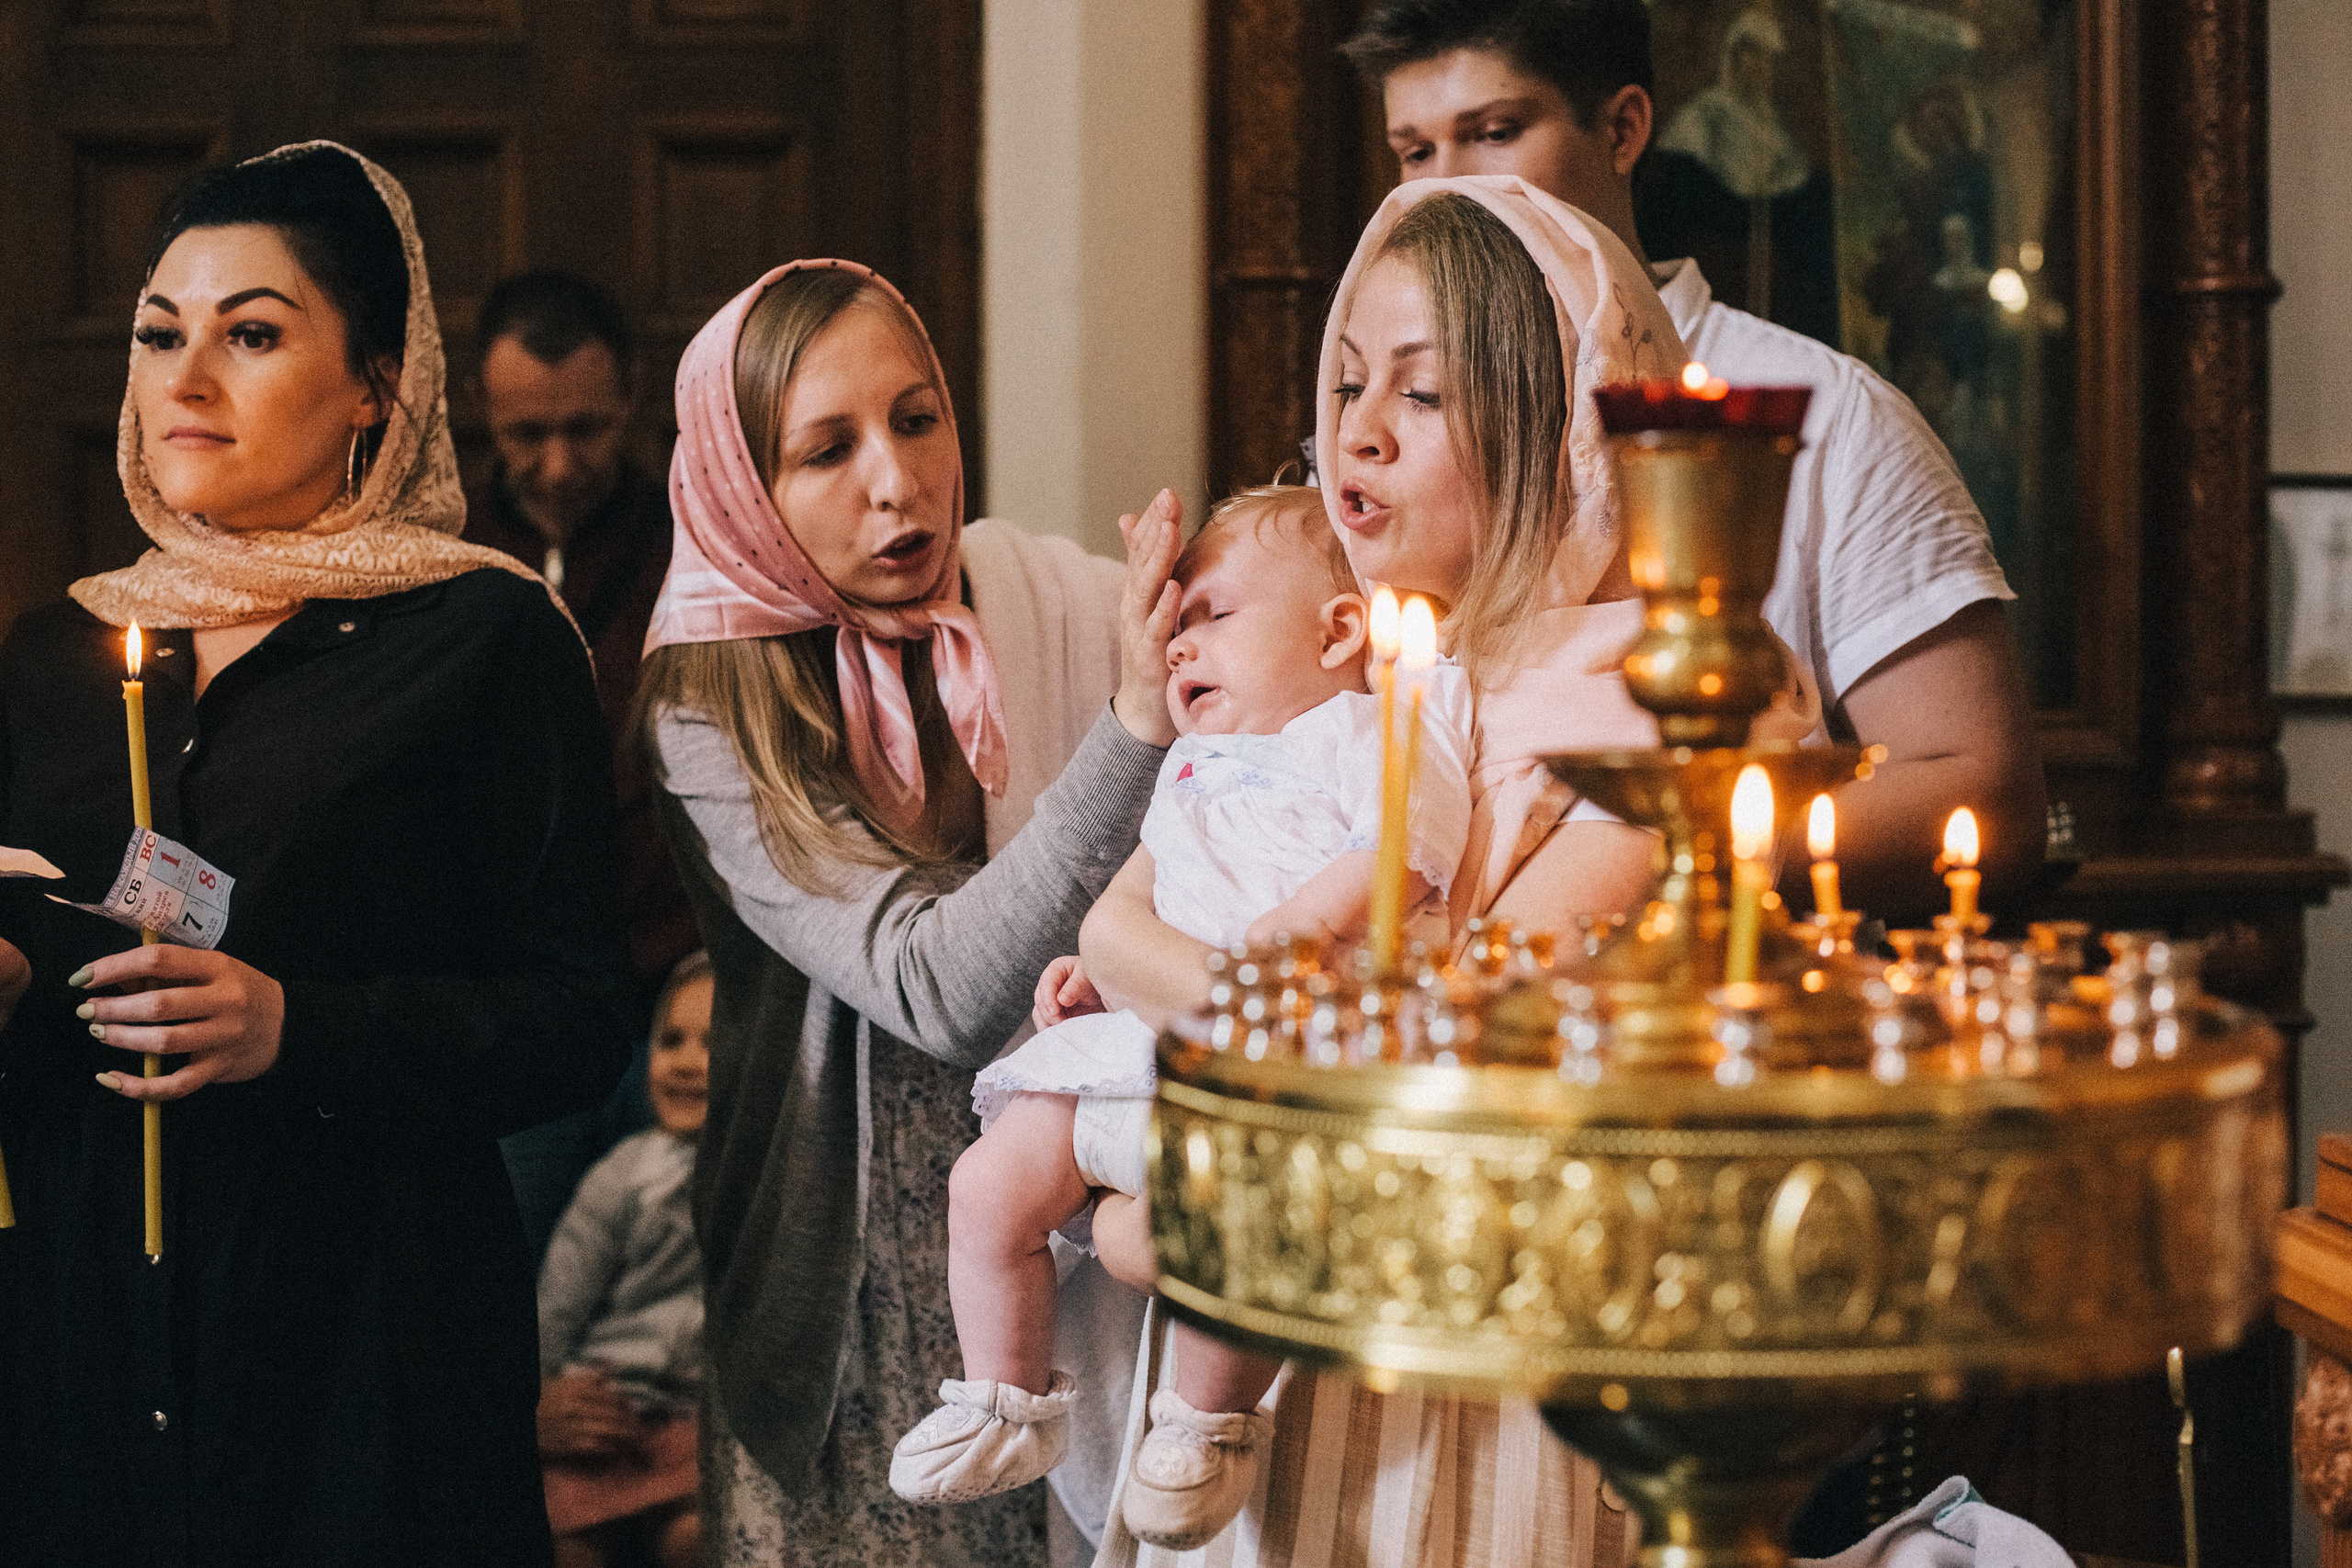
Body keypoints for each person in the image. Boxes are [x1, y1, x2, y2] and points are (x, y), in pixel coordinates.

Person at [0, 142, 630, 1566]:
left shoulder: (480, 638)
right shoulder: (54, 654)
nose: (185, 377)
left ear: (375, 388)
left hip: (361, 1342)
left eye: (253, 334)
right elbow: (39, 945)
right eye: (159, 332)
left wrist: (301, 1027)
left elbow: (579, 1016)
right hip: (86, 1332)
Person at [1081, 177, 1720, 1568]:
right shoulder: (1325, 683)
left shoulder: (1646, 718)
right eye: (1347, 381)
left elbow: (1441, 1065)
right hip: (1240, 1365)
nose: (1355, 431)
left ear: (1564, 429)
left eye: (1420, 394)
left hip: (1470, 1391)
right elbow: (1114, 931)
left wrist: (1147, 1216)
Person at [638, 257, 1183, 1566]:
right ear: (743, 488)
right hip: (853, 1275)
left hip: (1062, 1221)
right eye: (828, 450)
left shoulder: (1030, 605)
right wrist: (1131, 725)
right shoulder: (709, 701)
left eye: (918, 417)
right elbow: (939, 988)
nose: (899, 480)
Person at [1346, 0, 2045, 921]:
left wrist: (1647, 850)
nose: (1447, 188)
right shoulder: (1374, 434)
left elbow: (1982, 793)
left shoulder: (1826, 417)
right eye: (1415, 151)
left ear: (1622, 128)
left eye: (1494, 133)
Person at [888, 485, 1474, 1551]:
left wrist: (1307, 922)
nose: (1180, 646)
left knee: (1230, 1226)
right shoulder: (1194, 765)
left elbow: (1409, 846)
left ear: (1338, 632)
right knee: (987, 1182)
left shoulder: (1375, 726)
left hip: (1277, 1057)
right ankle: (1006, 1398)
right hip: (1143, 1038)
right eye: (1175, 628)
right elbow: (1164, 892)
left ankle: (1207, 1423)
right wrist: (1094, 974)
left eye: (1215, 616)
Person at [463, 271, 691, 1258]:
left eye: (587, 429)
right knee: (507, 1278)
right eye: (527, 433)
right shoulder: (444, 558)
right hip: (515, 1011)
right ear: (480, 408)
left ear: (633, 395)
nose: (558, 465)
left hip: (679, 1000)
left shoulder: (695, 550)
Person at [537, 951, 714, 1568]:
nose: (686, 1061)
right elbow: (558, 1302)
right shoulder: (623, 1174)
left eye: (713, 1044)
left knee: (692, 1539)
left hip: (696, 1425)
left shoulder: (767, 1182)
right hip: (606, 1414)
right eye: (671, 1040)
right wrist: (540, 1391)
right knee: (568, 1544)